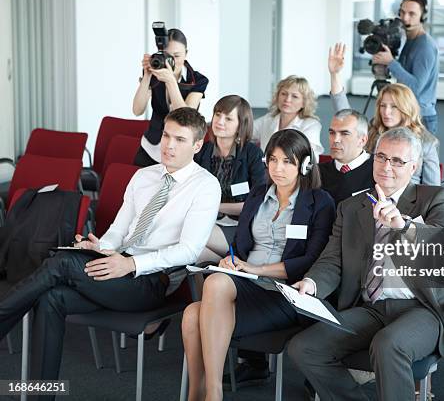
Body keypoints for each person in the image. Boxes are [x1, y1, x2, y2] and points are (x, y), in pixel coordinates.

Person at [0, 107, 221, 384]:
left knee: (63, 262)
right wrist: (99, 246)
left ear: (197, 145)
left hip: (152, 281)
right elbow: (118, 230)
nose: (169, 145)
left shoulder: (205, 186)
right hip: (115, 266)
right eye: (166, 136)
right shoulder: (144, 176)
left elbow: (189, 250)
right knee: (50, 298)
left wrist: (130, 263)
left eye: (180, 139)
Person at [287, 127, 444, 401]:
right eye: (381, 157)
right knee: (304, 347)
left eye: (398, 161)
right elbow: (333, 260)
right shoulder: (352, 206)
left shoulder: (436, 198)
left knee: (388, 344)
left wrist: (403, 226)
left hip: (423, 307)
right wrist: (312, 283)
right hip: (371, 307)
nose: (386, 167)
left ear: (414, 166)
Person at [181, 129, 335, 401]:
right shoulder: (257, 195)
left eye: (287, 161)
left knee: (212, 287)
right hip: (244, 284)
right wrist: (231, 259)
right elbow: (241, 246)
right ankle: (198, 393)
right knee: (192, 313)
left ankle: (212, 393)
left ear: (304, 165)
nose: (278, 168)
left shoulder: (319, 202)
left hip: (285, 293)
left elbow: (311, 260)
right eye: (273, 160)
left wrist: (256, 270)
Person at [329, 43, 441, 186]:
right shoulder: (373, 133)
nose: (386, 112)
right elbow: (345, 116)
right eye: (383, 106)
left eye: (394, 107)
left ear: (406, 108)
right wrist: (335, 75)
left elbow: (432, 190)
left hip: (407, 203)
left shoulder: (427, 143)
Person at [195, 95, 266, 262]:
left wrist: (216, 206)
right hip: (206, 221)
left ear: (241, 125)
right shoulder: (203, 151)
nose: (219, 121)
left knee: (192, 238)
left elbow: (258, 202)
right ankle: (225, 266)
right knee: (196, 253)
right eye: (217, 114)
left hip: (239, 227)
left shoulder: (252, 154)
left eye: (228, 118)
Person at [132, 28, 209, 167]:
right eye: (168, 56)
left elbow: (187, 119)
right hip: (152, 146)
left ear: (186, 54)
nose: (172, 61)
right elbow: (137, 110)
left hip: (180, 151)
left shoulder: (198, 80)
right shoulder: (155, 71)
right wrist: (147, 76)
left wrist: (171, 82)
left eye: (177, 56)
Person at [371, 0, 439, 135]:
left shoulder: (424, 46)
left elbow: (416, 87)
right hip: (406, 112)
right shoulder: (410, 40)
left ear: (423, 17)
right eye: (402, 12)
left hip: (421, 117)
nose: (405, 18)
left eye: (411, 14)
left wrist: (390, 62)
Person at [252, 75, 324, 160]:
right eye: (284, 94)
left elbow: (310, 159)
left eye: (294, 96)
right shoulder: (268, 119)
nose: (287, 99)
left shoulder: (311, 125)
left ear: (304, 103)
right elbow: (245, 132)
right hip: (266, 170)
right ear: (277, 96)